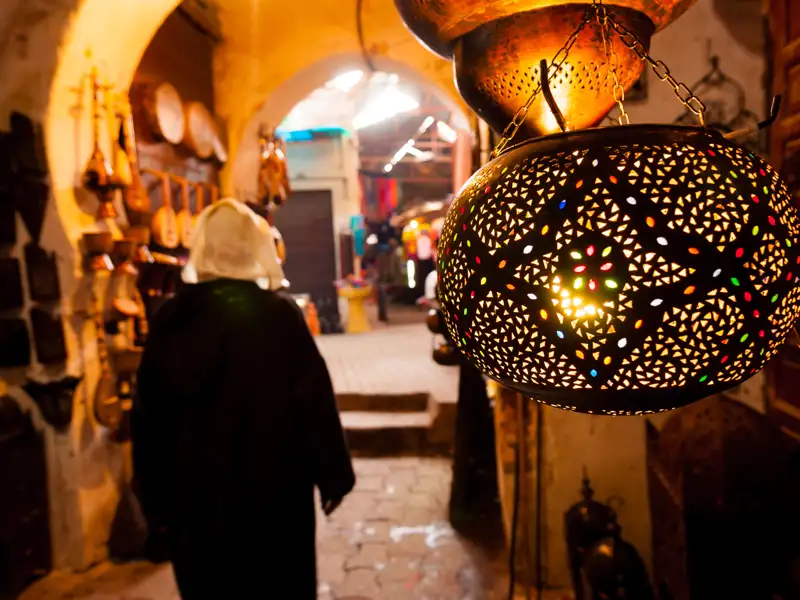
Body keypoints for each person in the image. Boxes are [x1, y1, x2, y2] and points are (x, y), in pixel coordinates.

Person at [132, 199, 355, 599]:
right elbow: (313, 403)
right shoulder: (278, 316)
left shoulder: (171, 320)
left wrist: (154, 499)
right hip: (274, 496)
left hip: (196, 499)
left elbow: (149, 419)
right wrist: (333, 474)